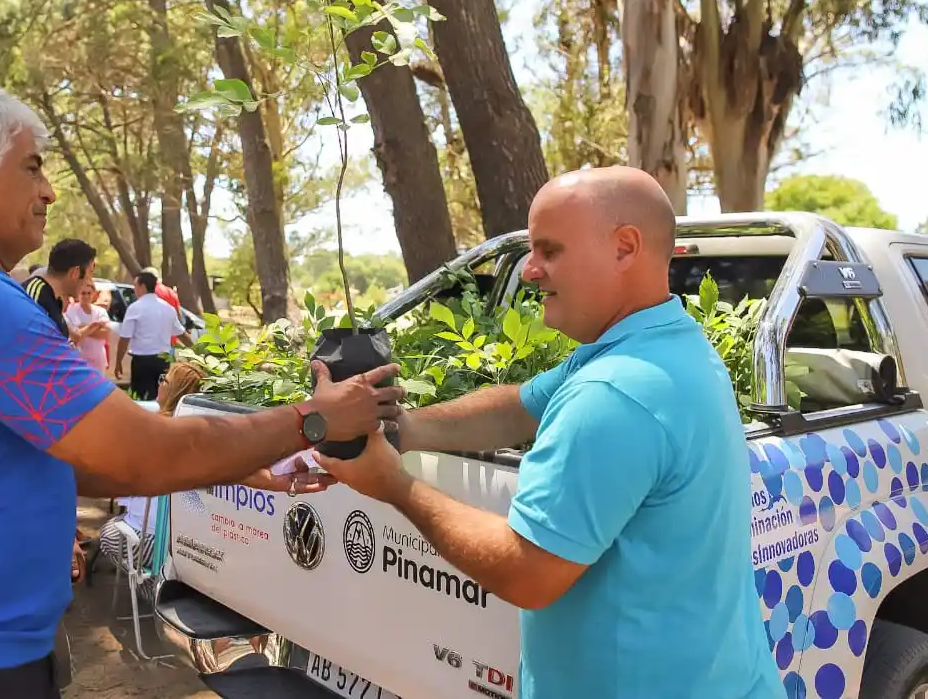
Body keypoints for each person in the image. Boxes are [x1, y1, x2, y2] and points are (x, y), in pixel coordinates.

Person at [0, 84, 402, 699]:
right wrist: (313, 419)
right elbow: (143, 454)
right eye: (32, 167)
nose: (48, 191)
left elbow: (71, 459)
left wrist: (251, 466)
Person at [318, 166, 783, 699]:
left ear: (625, 247)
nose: (530, 270)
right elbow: (518, 408)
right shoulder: (662, 345)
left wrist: (393, 484)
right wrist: (404, 428)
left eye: (550, 250)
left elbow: (527, 572)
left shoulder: (614, 393)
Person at [114, 270, 190, 400]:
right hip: (163, 362)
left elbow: (125, 338)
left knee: (142, 400)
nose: (134, 290)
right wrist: (198, 351)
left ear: (142, 286)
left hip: (142, 363)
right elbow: (182, 334)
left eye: (135, 286)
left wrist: (118, 361)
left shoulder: (135, 308)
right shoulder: (168, 308)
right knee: (162, 399)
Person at [22, 238, 95, 342]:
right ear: (75, 273)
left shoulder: (55, 302)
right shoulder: (34, 296)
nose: (89, 281)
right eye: (90, 273)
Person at [65, 280, 110, 374]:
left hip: (98, 358)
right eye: (83, 293)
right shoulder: (72, 309)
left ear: (93, 294)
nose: (86, 296)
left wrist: (83, 328)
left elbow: (105, 333)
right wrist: (95, 326)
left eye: (89, 293)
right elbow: (74, 334)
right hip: (79, 357)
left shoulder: (100, 311)